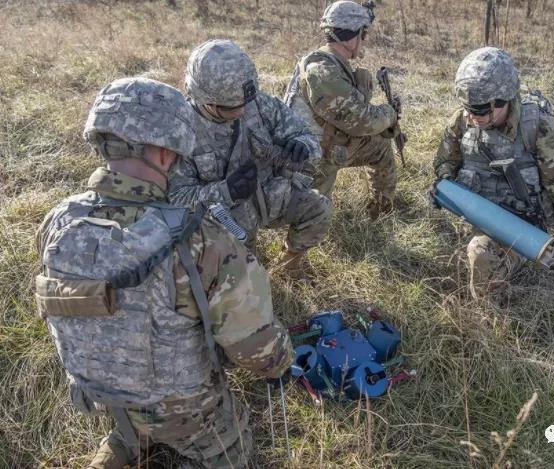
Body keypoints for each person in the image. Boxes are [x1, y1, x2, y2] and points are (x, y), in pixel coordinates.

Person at [35, 77, 293, 468]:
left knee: (129, 430)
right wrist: (283, 359)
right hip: (186, 412)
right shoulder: (202, 238)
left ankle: (128, 439)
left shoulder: (59, 221)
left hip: (102, 395)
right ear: (164, 152)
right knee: (234, 450)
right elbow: (257, 353)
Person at [430, 47, 554, 300]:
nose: (474, 117)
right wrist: (442, 188)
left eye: (482, 110)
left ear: (504, 99)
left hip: (520, 225)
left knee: (481, 253)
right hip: (476, 214)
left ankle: (491, 316)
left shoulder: (537, 128)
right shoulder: (462, 120)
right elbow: (445, 164)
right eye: (468, 108)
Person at [169, 39, 332, 280]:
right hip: (223, 217)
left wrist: (303, 147)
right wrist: (224, 191)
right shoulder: (179, 130)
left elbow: (306, 136)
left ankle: (289, 267)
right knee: (243, 279)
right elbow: (176, 200)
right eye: (230, 108)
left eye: (245, 103)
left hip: (270, 195)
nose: (242, 111)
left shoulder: (259, 103)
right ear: (204, 99)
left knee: (319, 208)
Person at [284, 0, 399, 219]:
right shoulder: (323, 71)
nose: (364, 41)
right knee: (311, 219)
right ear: (353, 36)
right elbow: (363, 121)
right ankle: (292, 249)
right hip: (310, 159)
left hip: (327, 145)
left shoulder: (331, 62)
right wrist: (390, 113)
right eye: (363, 35)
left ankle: (381, 212)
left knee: (380, 146)